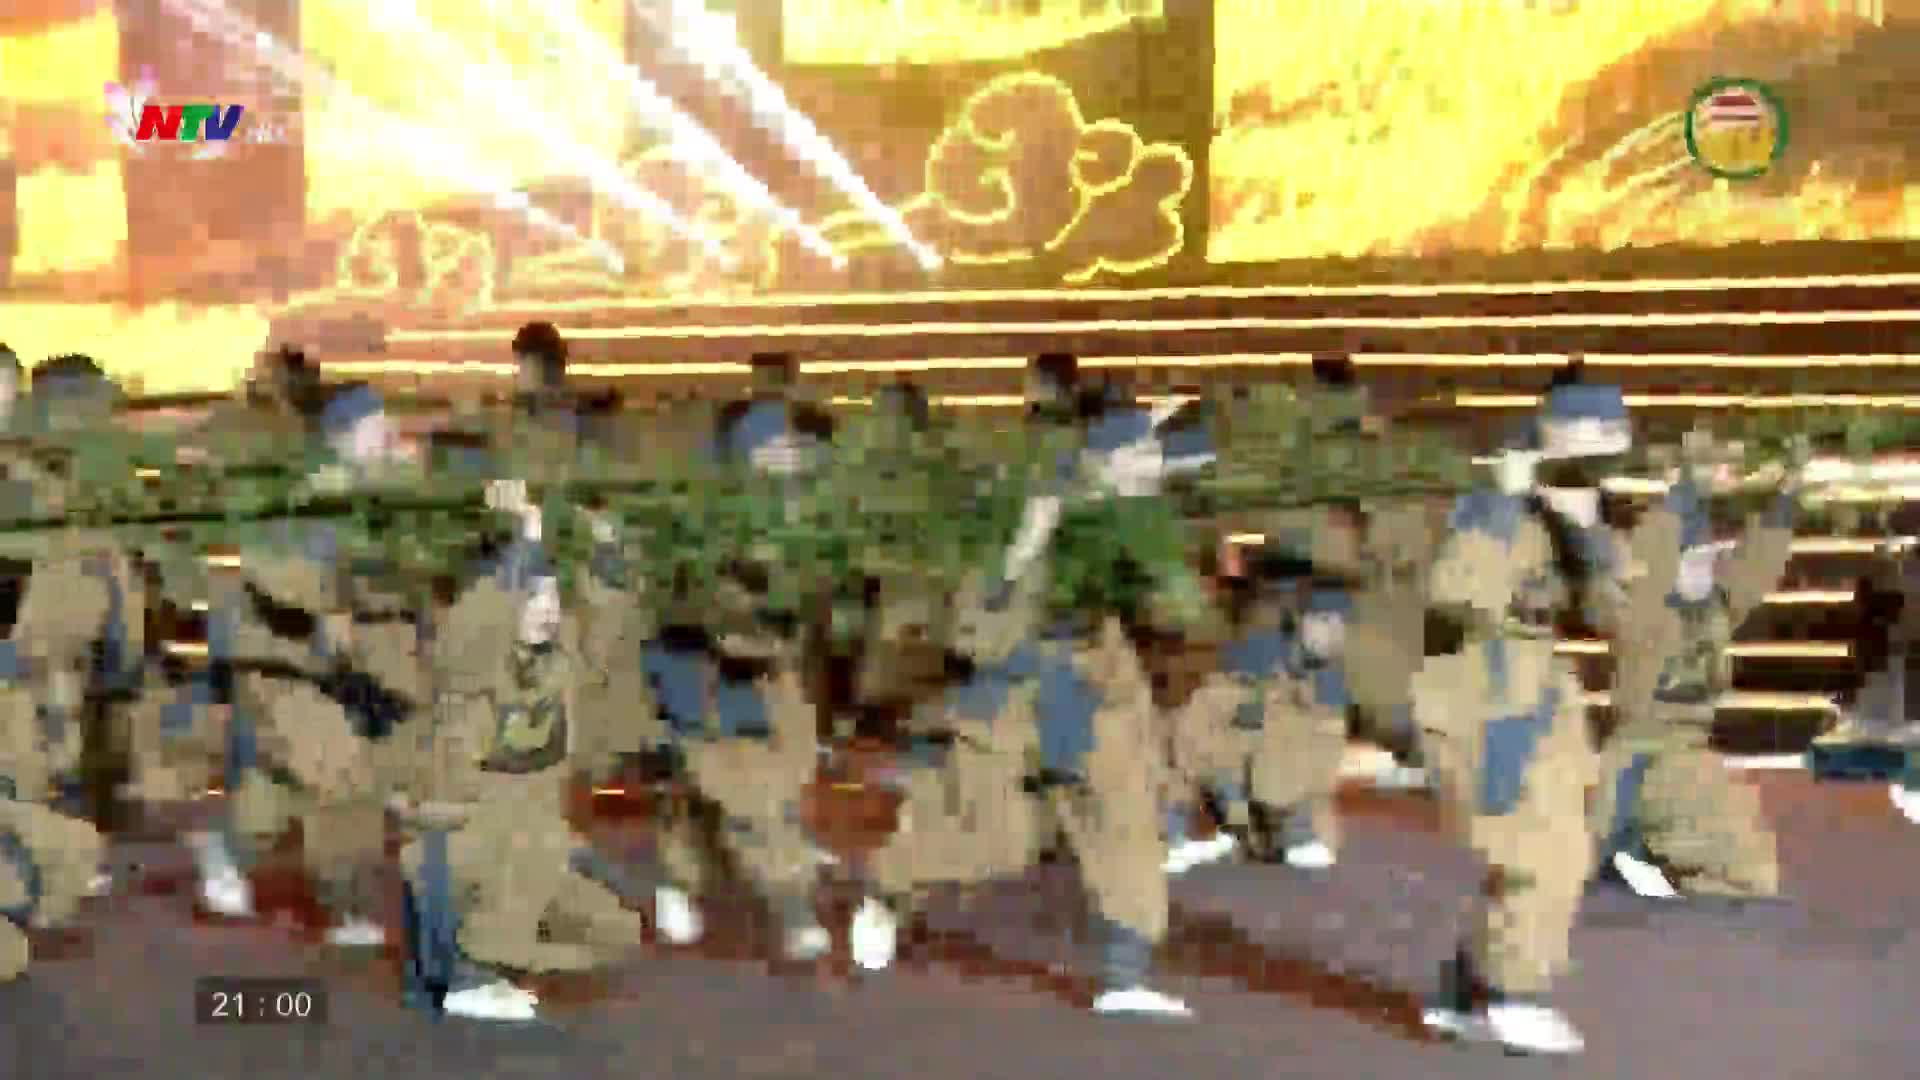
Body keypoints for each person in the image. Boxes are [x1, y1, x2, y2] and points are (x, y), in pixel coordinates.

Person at [848, 354, 1190, 1019]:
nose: (1154, 466)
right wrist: (1023, 554)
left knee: (1126, 816)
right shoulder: (1027, 512)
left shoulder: (1134, 516)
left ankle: (1125, 971)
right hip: (1014, 689)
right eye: (1141, 455)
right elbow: (971, 633)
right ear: (1104, 462)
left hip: (1095, 683)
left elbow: (1164, 605)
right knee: (995, 844)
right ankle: (888, 885)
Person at [1412, 374, 1630, 1055]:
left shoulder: (1584, 512)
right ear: (1551, 434)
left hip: (1539, 694)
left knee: (1554, 841)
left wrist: (1584, 532)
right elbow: (1458, 597)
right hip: (1481, 690)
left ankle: (1467, 986)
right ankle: (1514, 993)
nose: (1604, 448)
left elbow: (1617, 618)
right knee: (1541, 851)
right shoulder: (1492, 504)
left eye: (1613, 435)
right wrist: (1512, 503)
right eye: (1590, 433)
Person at [393, 553, 645, 1023]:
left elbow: (602, 634)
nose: (546, 608)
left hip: (538, 844)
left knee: (615, 931)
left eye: (552, 596)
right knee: (520, 849)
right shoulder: (469, 674)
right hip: (467, 842)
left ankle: (498, 962)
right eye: (531, 596)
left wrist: (607, 558)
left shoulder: (560, 669)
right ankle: (469, 973)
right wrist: (522, 543)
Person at [644, 352, 837, 962]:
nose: (790, 454)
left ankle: (680, 876)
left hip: (769, 675)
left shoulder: (796, 512)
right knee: (752, 792)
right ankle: (793, 908)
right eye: (777, 444)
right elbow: (693, 601)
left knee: (714, 789)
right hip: (713, 673)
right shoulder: (710, 521)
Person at [1590, 433, 1800, 900]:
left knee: (1748, 873)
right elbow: (1653, 552)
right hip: (1638, 757)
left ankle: (1633, 856)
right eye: (1696, 558)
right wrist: (1687, 487)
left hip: (1690, 754)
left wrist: (1784, 502)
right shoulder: (1639, 607)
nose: (1708, 565)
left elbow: (1756, 566)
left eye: (1710, 556)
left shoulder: (1716, 606)